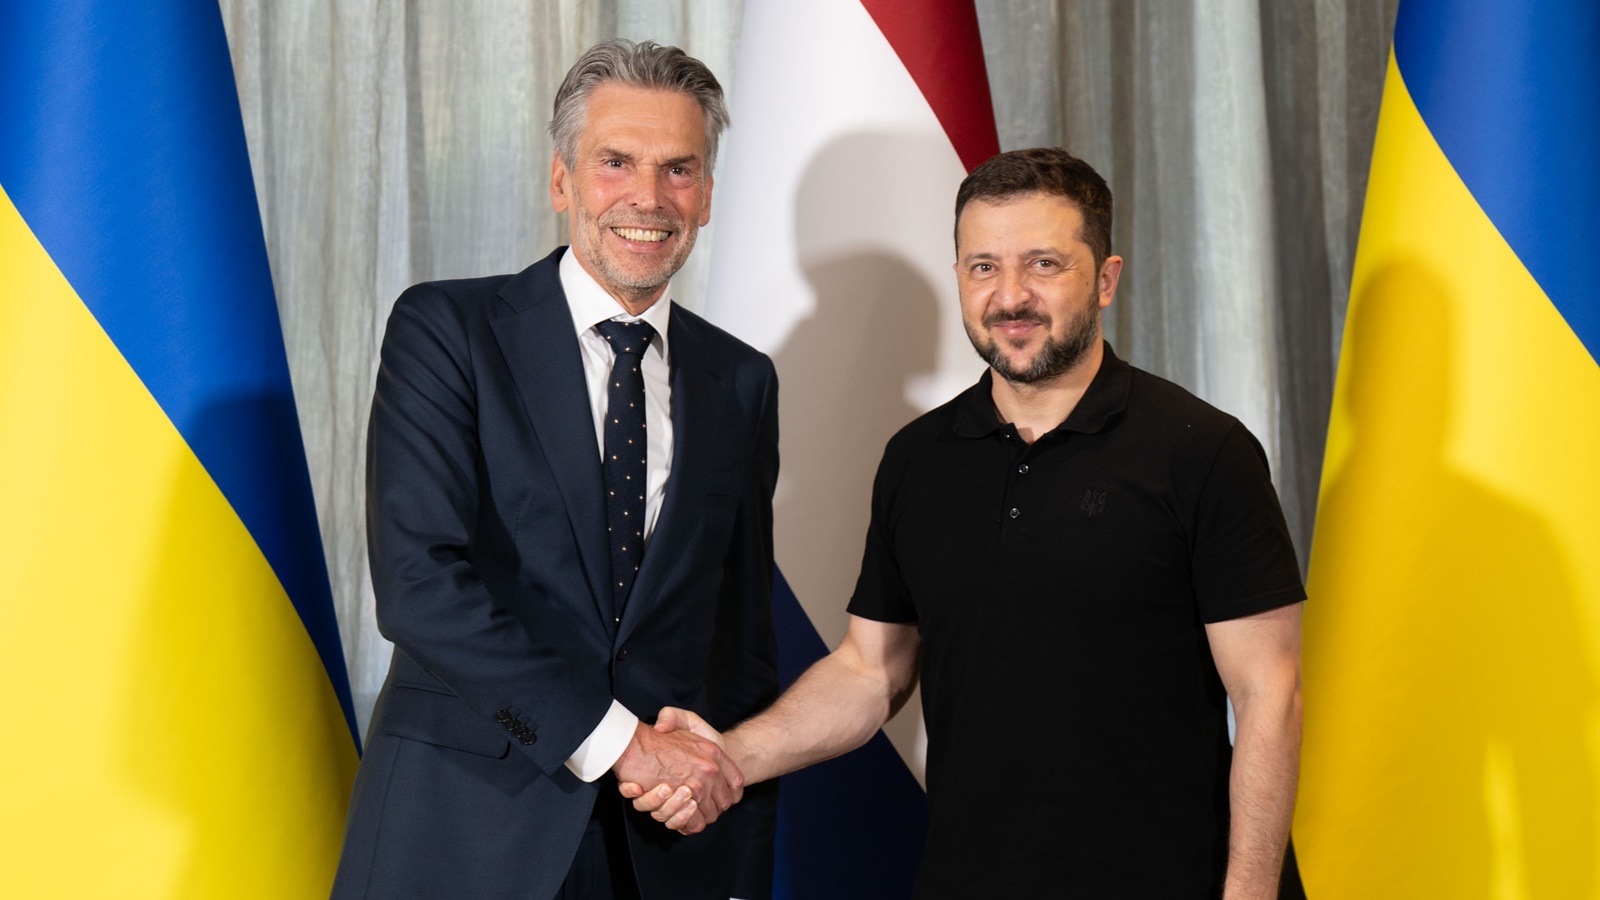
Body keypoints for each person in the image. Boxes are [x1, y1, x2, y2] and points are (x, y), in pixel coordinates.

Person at [627, 148, 1305, 899]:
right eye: (984, 267)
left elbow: (1269, 695)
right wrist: (726, 756)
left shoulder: (1203, 452)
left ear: (1106, 279)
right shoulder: (918, 459)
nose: (1010, 296)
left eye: (1044, 264)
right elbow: (870, 670)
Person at [332, 39, 779, 900]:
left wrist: (739, 859)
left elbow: (740, 644)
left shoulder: (742, 380)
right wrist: (621, 744)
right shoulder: (447, 330)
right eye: (616, 162)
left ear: (708, 194)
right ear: (561, 181)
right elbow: (420, 585)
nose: (649, 198)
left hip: (660, 854)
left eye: (679, 169)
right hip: (462, 833)